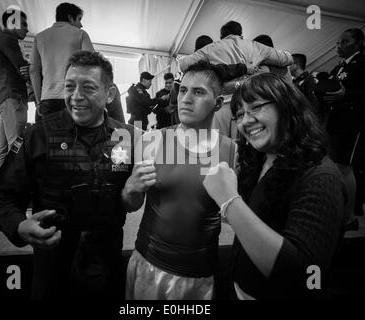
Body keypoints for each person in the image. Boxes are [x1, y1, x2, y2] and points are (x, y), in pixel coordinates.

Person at [0, 51, 136, 299]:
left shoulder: (126, 137)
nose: (76, 97)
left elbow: (135, 197)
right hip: (53, 264)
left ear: (110, 95)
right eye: (69, 87)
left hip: (106, 262)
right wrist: (19, 225)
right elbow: (3, 195)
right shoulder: (39, 134)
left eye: (88, 88)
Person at [203, 73, 347, 299]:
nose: (246, 121)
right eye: (240, 114)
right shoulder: (261, 159)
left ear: (287, 107)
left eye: (256, 107)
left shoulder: (321, 177)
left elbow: (307, 276)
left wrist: (229, 201)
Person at [122, 61, 237, 300]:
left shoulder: (232, 152)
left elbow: (232, 219)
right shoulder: (151, 141)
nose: (185, 98)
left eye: (198, 92)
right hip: (148, 264)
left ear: (217, 103)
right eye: (183, 90)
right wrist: (130, 189)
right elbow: (131, 204)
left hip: (199, 274)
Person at [178, 21, 293, 139]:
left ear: (222, 36)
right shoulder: (255, 46)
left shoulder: (211, 48)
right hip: (248, 107)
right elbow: (287, 59)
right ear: (241, 34)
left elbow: (183, 64)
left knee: (220, 148)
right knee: (244, 148)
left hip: (220, 107)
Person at [324, 28, 365, 217]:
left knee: (345, 167)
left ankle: (349, 213)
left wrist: (346, 94)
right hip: (336, 120)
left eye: (345, 42)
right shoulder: (341, 66)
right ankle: (336, 204)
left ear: (358, 44)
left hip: (353, 122)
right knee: (334, 164)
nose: (339, 46)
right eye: (338, 42)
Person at [30, 2, 94, 122]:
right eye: (79, 19)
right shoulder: (80, 34)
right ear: (70, 17)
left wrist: (38, 102)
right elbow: (93, 64)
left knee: (48, 138)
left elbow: (33, 71)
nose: (81, 24)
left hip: (47, 98)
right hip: (73, 97)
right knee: (74, 138)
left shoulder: (39, 37)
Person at [0, 8, 30, 175]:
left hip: (5, 96)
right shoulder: (7, 39)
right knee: (16, 145)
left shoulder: (1, 40)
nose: (27, 29)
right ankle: (14, 189)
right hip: (12, 96)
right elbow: (23, 68)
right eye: (23, 24)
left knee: (4, 147)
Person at [289, 53, 321, 119]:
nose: (287, 66)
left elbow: (313, 105)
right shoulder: (293, 81)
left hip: (307, 119)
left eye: (289, 63)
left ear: (296, 65)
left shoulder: (310, 79)